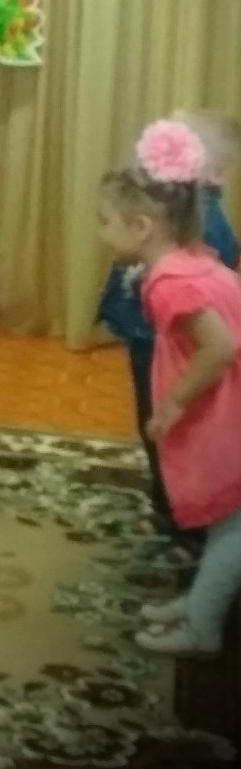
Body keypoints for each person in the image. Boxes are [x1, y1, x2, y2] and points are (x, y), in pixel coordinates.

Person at [98, 120, 241, 656]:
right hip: (225, 401)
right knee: (228, 518)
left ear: (142, 226)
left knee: (232, 525)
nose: (101, 233)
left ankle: (203, 625)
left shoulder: (168, 282)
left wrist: (175, 402)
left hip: (225, 410)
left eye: (105, 221)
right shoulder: (194, 259)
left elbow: (219, 347)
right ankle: (201, 599)